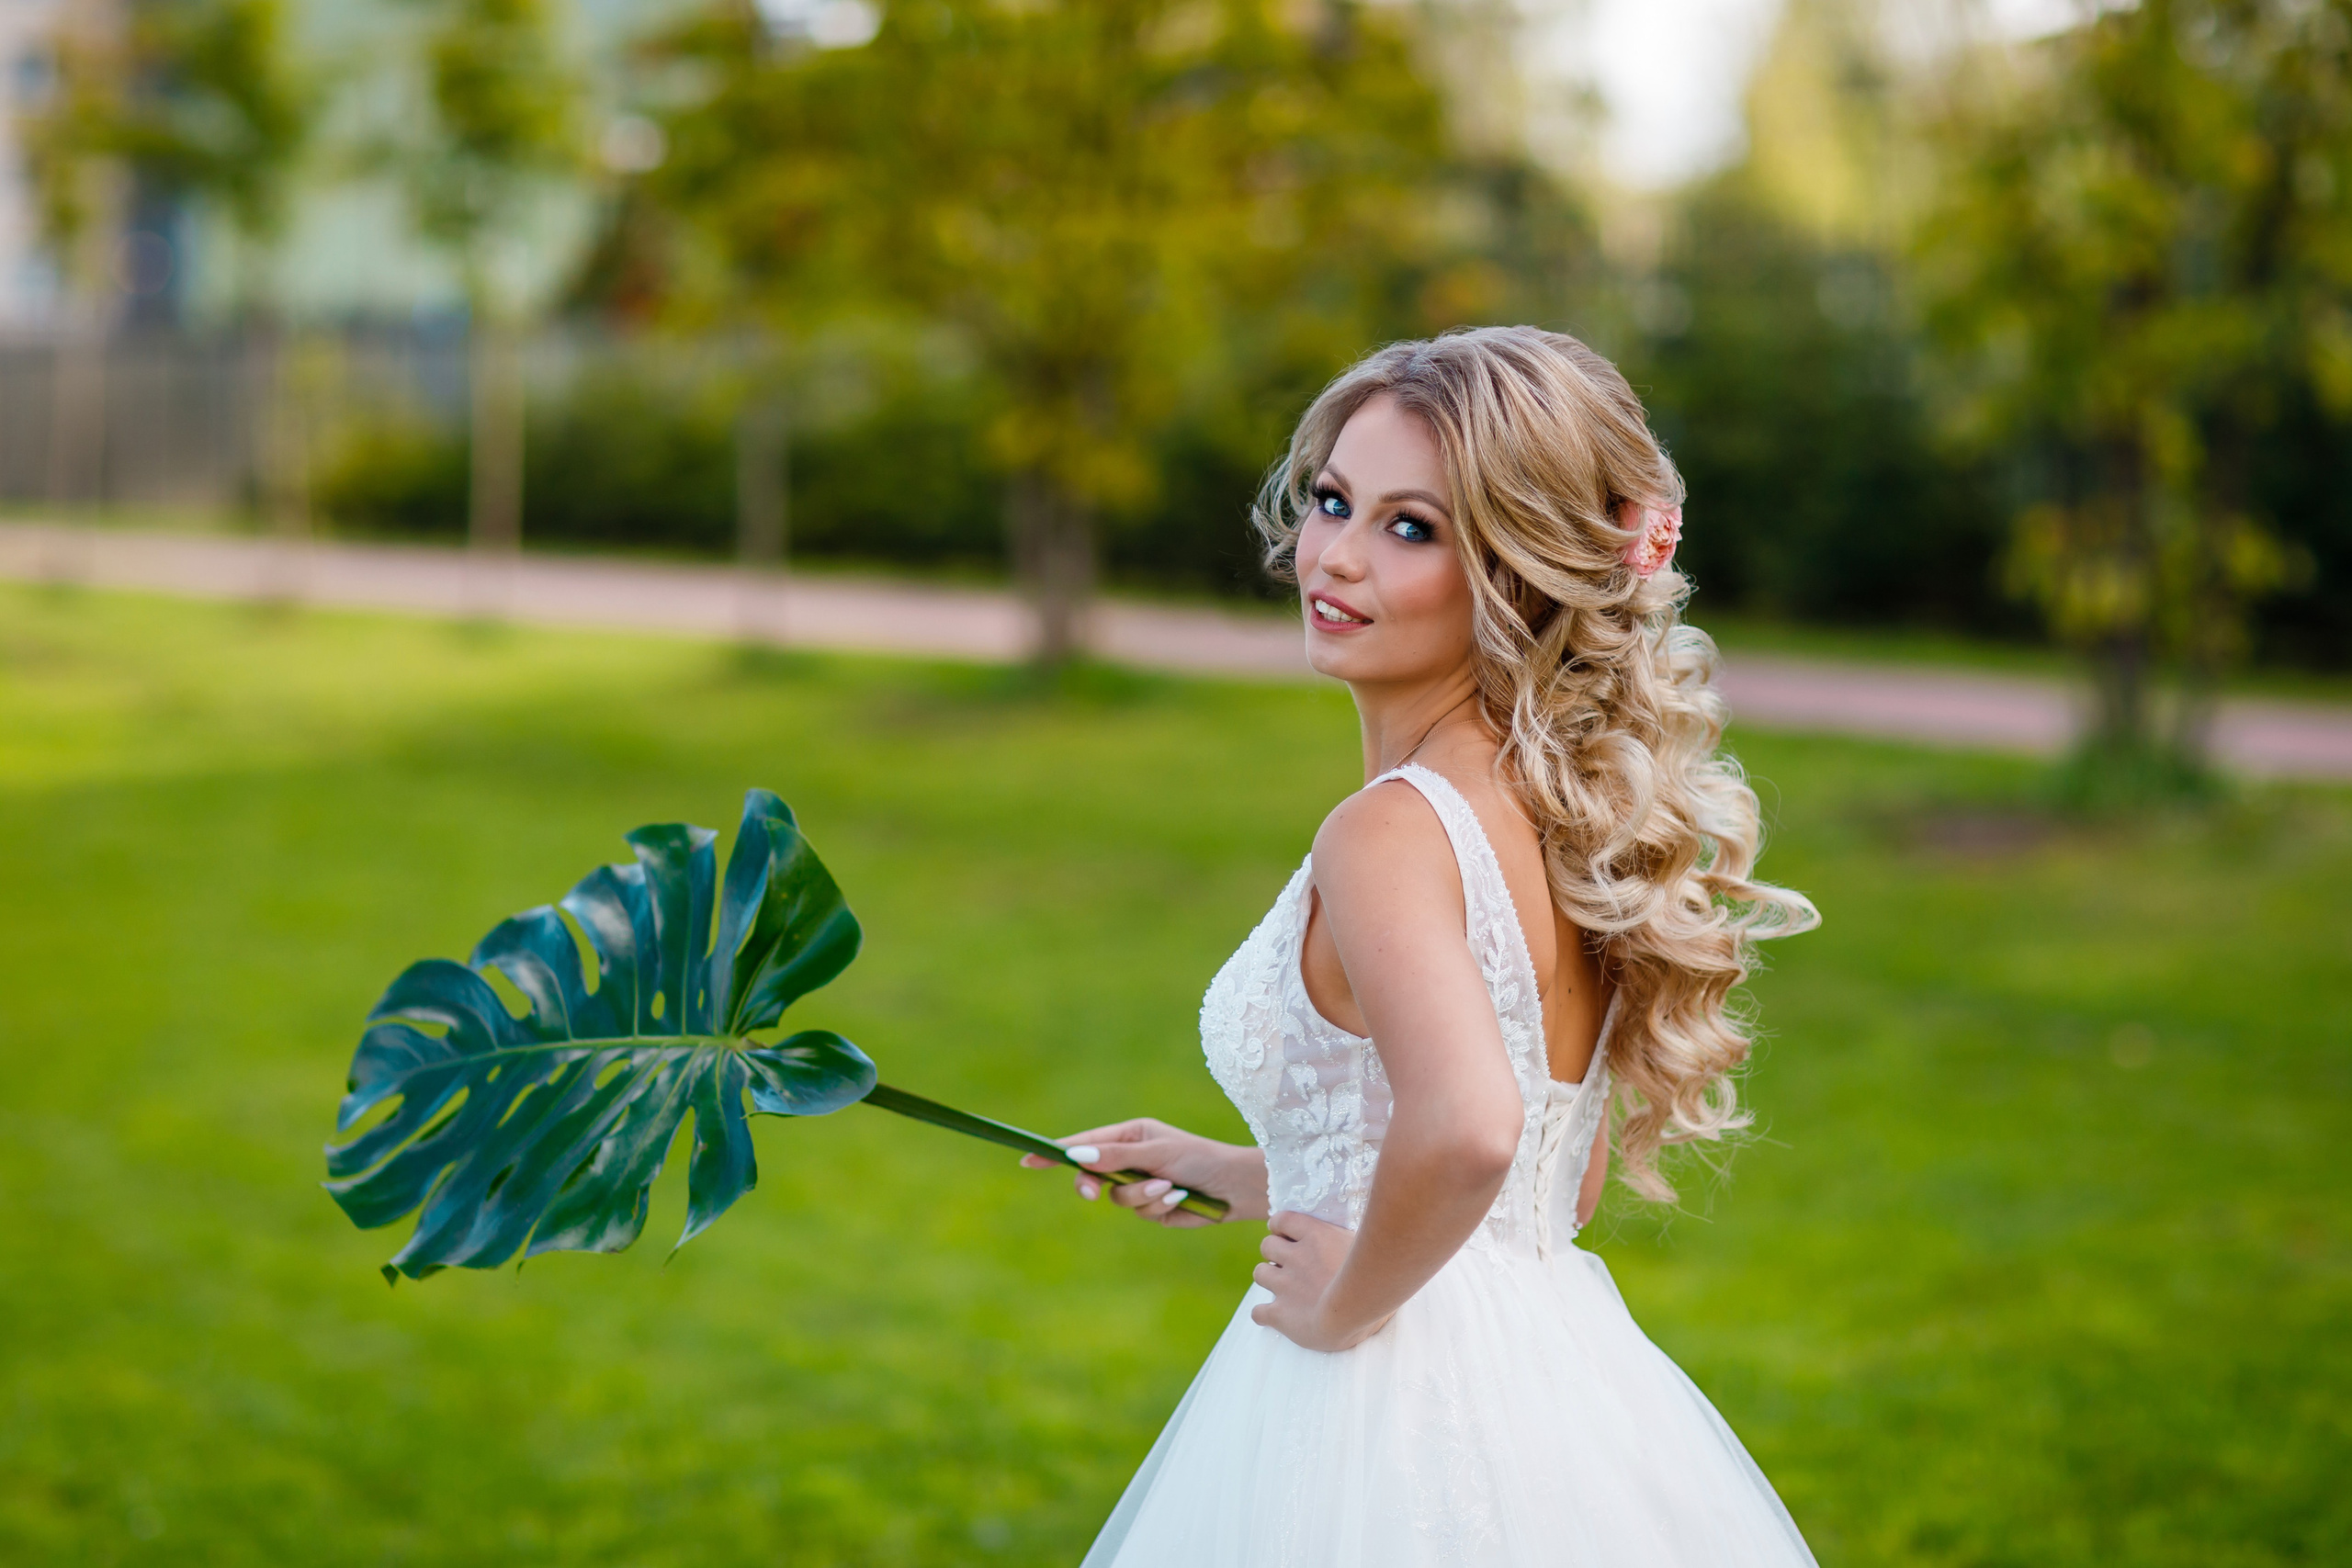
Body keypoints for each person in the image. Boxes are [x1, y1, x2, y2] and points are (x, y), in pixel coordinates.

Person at [1023, 326, 1823, 1565]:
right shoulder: (1566, 818)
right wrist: (1248, 1171)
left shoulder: (1390, 833)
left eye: (1411, 527)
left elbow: (1469, 1129)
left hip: (1383, 1401)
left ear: (1521, 571)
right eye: (1333, 501)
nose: (1335, 555)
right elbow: (1557, 1185)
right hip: (1552, 1384)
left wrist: (1345, 1309)